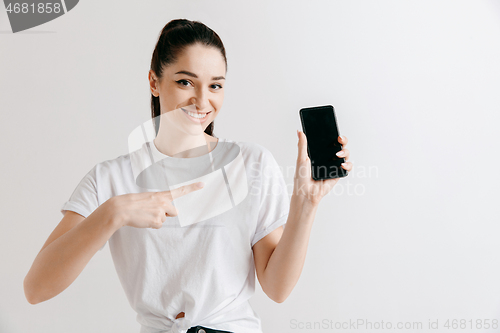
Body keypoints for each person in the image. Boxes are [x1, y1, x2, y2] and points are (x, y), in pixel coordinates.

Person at [23, 19, 352, 333]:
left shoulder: (251, 163)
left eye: (215, 86)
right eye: (185, 82)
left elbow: (277, 288)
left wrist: (306, 206)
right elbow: (36, 288)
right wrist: (114, 212)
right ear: (154, 81)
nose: (202, 100)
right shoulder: (111, 178)